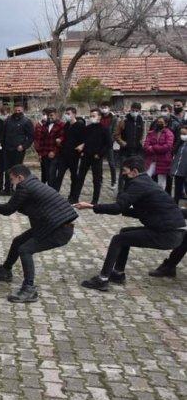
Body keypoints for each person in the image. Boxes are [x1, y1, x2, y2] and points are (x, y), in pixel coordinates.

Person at [76, 156, 185, 291]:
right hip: (173, 230)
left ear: (134, 171)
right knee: (125, 233)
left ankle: (102, 279)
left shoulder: (138, 184)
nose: (123, 174)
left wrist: (92, 206)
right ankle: (118, 273)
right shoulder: (146, 181)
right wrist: (125, 210)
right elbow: (145, 210)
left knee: (118, 240)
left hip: (168, 234)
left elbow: (118, 208)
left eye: (124, 171)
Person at [0, 165, 78, 303]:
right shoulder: (33, 183)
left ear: (20, 177)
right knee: (18, 242)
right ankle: (5, 271)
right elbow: (26, 208)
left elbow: (8, 209)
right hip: (53, 226)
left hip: (58, 230)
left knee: (25, 249)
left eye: (12, 180)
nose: (11, 183)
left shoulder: (24, 187)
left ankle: (29, 289)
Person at [69, 109, 111, 205]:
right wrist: (82, 150)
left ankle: (95, 200)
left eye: (94, 116)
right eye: (91, 116)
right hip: (86, 156)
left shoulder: (104, 129)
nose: (92, 118)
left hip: (96, 157)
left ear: (100, 116)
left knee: (96, 180)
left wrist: (100, 154)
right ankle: (75, 198)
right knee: (80, 177)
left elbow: (108, 144)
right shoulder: (88, 128)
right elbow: (84, 141)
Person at [1, 102, 34, 194]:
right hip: (7, 149)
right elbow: (4, 134)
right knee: (7, 170)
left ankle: (18, 189)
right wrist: (2, 145)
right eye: (16, 110)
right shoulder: (8, 120)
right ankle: (7, 189)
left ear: (23, 110)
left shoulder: (26, 121)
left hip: (18, 150)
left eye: (19, 110)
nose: (17, 112)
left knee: (18, 170)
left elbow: (31, 137)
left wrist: (24, 146)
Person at [53, 107, 86, 199]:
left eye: (68, 114)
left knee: (74, 176)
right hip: (64, 154)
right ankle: (54, 195)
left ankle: (73, 196)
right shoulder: (66, 125)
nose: (66, 115)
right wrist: (60, 141)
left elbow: (86, 139)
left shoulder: (80, 126)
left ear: (74, 114)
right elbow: (65, 137)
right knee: (59, 175)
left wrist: (82, 146)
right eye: (66, 114)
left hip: (74, 155)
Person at [114, 102, 145, 191]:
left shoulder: (141, 121)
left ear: (139, 111)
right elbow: (116, 134)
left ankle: (131, 191)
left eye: (137, 110)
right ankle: (120, 193)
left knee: (135, 172)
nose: (134, 112)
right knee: (123, 172)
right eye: (133, 110)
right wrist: (123, 143)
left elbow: (142, 133)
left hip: (137, 151)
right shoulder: (124, 121)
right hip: (125, 151)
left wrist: (141, 141)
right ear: (130, 109)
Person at [33, 108, 64, 186]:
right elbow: (41, 140)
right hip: (44, 153)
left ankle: (52, 193)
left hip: (54, 154)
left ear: (56, 115)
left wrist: (54, 151)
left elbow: (62, 139)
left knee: (52, 174)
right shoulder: (45, 125)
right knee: (46, 174)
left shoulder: (61, 125)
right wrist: (39, 153)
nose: (50, 117)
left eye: (51, 115)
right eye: (48, 115)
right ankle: (48, 192)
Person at [144, 116, 174, 190]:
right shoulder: (152, 133)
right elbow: (146, 146)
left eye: (161, 122)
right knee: (146, 177)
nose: (159, 123)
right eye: (158, 122)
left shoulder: (169, 134)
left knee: (161, 182)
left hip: (163, 160)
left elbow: (167, 147)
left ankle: (160, 198)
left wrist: (153, 147)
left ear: (166, 124)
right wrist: (156, 148)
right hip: (151, 159)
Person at [99, 104, 119, 190]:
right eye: (103, 107)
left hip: (109, 143)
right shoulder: (99, 117)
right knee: (98, 162)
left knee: (111, 163)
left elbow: (114, 131)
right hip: (99, 143)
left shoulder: (114, 118)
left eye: (106, 107)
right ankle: (99, 180)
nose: (104, 109)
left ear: (109, 108)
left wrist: (110, 141)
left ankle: (113, 182)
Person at [171, 125, 187, 202]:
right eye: (181, 134)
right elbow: (177, 158)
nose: (182, 136)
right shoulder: (180, 144)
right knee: (177, 192)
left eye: (184, 134)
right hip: (179, 172)